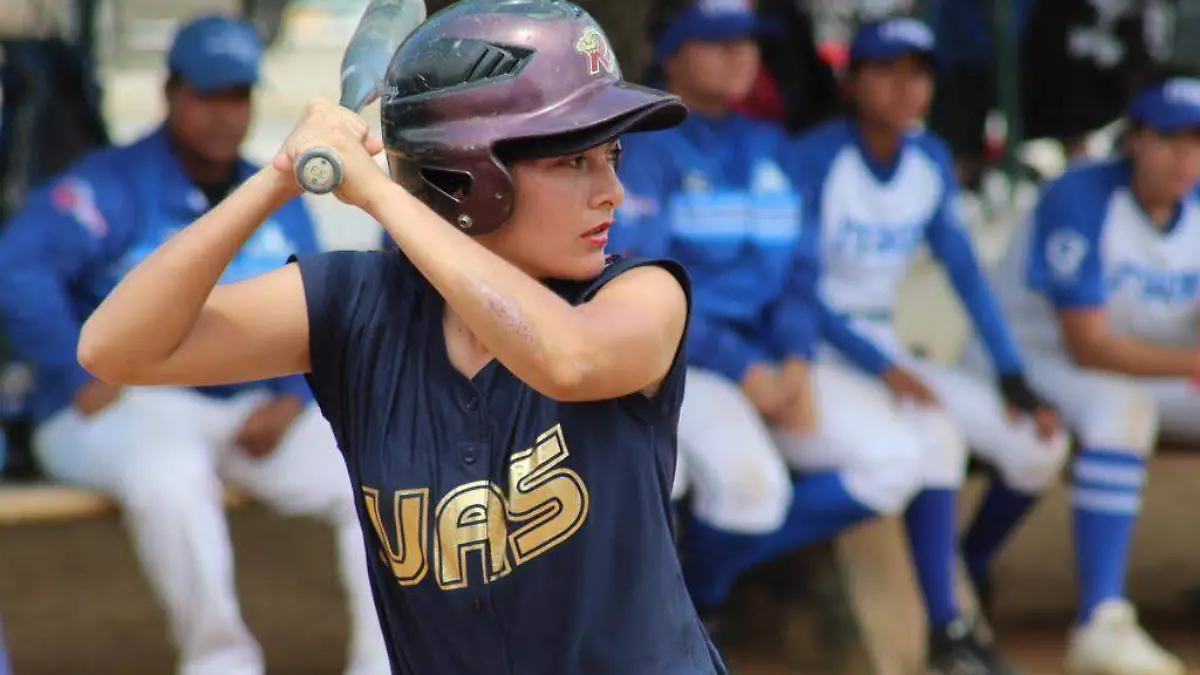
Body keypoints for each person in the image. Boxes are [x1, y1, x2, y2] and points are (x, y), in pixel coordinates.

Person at [74, 1, 722, 673]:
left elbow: (567, 358)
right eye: (574, 161)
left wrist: (380, 196)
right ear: (469, 174)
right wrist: (275, 178)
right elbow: (116, 347)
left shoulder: (641, 294)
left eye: (611, 156)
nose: (612, 190)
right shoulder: (361, 305)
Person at [0, 15, 388, 675]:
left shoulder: (279, 192)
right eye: (207, 93)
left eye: (237, 95)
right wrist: (74, 367)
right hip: (125, 406)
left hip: (244, 412)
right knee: (171, 471)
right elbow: (17, 267)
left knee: (375, 470)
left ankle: (384, 664)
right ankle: (221, 661)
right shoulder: (110, 182)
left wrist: (295, 397)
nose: (223, 113)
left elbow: (317, 298)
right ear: (171, 92)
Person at [782, 16, 1070, 674]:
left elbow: (965, 272)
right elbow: (796, 288)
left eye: (919, 72)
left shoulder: (930, 158)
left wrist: (1011, 371)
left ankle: (965, 569)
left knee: (1038, 443)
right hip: (819, 347)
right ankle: (948, 624)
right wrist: (879, 365)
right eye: (886, 69)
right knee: (932, 440)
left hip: (885, 343)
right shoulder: (815, 157)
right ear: (851, 81)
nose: (906, 86)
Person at [612, 0, 907, 632]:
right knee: (752, 493)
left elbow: (801, 275)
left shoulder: (773, 145)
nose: (740, 54)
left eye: (747, 41)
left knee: (895, 459)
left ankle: (707, 584)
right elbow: (644, 281)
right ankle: (689, 612)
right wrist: (746, 369)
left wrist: (796, 359)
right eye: (717, 42)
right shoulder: (643, 146)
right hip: (681, 357)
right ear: (674, 55)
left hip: (775, 357)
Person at [962, 70, 1200, 675]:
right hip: (1027, 359)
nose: (1185, 156)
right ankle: (1100, 620)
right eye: (1170, 138)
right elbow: (1087, 344)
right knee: (1120, 412)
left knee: (1124, 401)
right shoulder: (1081, 195)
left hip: (1140, 366)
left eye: (1198, 141)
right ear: (1134, 141)